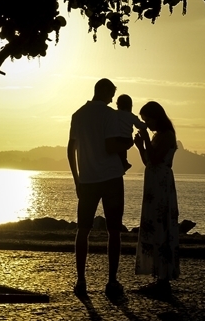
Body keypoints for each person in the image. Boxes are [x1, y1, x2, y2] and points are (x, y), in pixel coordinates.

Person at [68, 78, 134, 298]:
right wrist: (129, 143)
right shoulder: (110, 115)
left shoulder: (77, 115)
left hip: (86, 179)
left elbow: (70, 150)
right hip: (111, 177)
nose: (112, 99)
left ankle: (81, 281)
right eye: (112, 95)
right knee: (114, 231)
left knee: (83, 230)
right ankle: (112, 281)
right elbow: (110, 145)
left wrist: (76, 179)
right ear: (104, 92)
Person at [133, 100, 180, 296]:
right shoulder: (159, 136)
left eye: (148, 120)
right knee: (154, 225)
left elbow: (154, 159)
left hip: (160, 184)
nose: (147, 125)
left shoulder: (167, 136)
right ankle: (158, 277)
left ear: (156, 117)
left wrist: (144, 139)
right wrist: (140, 147)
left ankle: (163, 279)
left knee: (161, 225)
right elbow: (147, 161)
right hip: (154, 184)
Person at [114, 94, 145, 171]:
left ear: (118, 105)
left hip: (116, 138)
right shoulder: (131, 116)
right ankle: (124, 163)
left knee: (120, 152)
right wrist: (146, 125)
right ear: (130, 106)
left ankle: (123, 163)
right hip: (127, 138)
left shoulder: (114, 114)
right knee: (123, 151)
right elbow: (139, 125)